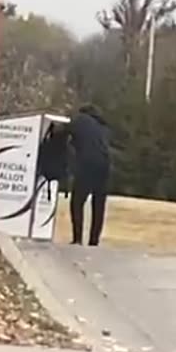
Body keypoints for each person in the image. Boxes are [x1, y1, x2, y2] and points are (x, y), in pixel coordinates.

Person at [66, 104, 112, 246]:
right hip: (104, 165)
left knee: (77, 202)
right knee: (98, 204)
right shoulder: (102, 125)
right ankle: (94, 241)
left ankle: (77, 239)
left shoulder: (79, 120)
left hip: (87, 164)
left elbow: (61, 132)